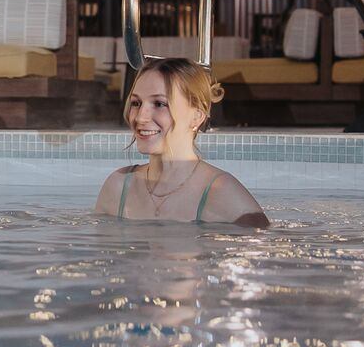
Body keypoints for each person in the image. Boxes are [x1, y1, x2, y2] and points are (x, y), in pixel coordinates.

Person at [95, 58, 269, 228]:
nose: (141, 117)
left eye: (159, 104)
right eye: (136, 103)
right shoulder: (118, 188)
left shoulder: (223, 194)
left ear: (197, 116)